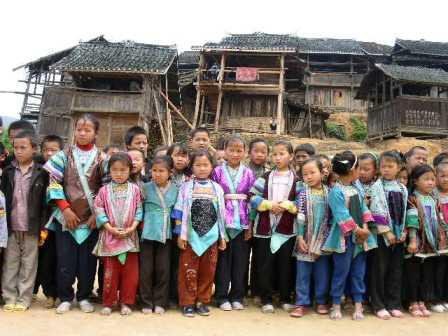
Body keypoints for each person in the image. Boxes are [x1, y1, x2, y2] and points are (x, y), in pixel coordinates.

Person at [44, 113, 105, 314]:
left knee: (88, 261)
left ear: (96, 133)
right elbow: (54, 183)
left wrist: (98, 215)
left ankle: (84, 296)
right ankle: (66, 297)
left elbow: (107, 188)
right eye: (79, 129)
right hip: (66, 217)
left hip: (92, 219)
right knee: (65, 259)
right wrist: (65, 209)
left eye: (87, 129)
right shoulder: (63, 155)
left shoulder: (103, 158)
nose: (82, 133)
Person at [322, 151, 376, 320]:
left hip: (360, 240)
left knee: (358, 272)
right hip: (343, 239)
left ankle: (358, 305)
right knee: (341, 271)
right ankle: (336, 304)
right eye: (359, 168)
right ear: (352, 171)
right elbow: (341, 215)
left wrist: (365, 229)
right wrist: (359, 230)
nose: (360, 172)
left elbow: (364, 209)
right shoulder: (335, 191)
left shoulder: (356, 189)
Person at [172, 150, 227, 317]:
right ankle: (187, 302)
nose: (202, 168)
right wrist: (180, 234)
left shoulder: (217, 188)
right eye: (198, 165)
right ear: (192, 166)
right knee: (188, 269)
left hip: (211, 238)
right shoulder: (186, 187)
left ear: (212, 167)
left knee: (208, 270)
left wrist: (222, 237)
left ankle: (202, 301)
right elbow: (179, 211)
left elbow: (221, 214)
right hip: (190, 237)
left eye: (205, 165)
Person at [1, 130, 49, 311]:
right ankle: (9, 297)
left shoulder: (41, 173)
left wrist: (43, 227)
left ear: (34, 149)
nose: (19, 151)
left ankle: (24, 299)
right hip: (11, 226)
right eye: (16, 147)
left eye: (24, 147)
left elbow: (45, 204)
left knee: (29, 265)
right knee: (10, 263)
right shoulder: (7, 172)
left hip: (32, 227)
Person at [250, 140, 298, 313]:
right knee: (266, 264)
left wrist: (286, 205)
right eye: (275, 154)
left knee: (285, 264)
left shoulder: (297, 179)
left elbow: (301, 201)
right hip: (265, 228)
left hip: (287, 230)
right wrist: (269, 205)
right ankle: (266, 299)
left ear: (291, 156)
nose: (278, 158)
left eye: (282, 154)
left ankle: (285, 298)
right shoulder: (265, 177)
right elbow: (252, 197)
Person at [93, 153, 142, 316]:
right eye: (115, 170)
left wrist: (132, 228)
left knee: (130, 274)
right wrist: (110, 228)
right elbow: (99, 210)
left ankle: (127, 302)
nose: (119, 173)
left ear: (129, 170)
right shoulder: (103, 191)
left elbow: (139, 210)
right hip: (110, 237)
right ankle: (109, 302)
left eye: (123, 170)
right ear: (109, 171)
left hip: (130, 238)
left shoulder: (135, 190)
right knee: (110, 273)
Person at [212, 136, 255, 311]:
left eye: (239, 150)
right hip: (223, 221)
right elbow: (214, 196)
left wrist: (250, 225)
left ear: (245, 153)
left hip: (243, 221)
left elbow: (252, 199)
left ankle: (237, 295)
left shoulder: (249, 173)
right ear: (225, 151)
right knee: (223, 261)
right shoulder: (217, 172)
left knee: (241, 262)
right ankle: (221, 296)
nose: (235, 154)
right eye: (231, 150)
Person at [369, 151, 408, 319]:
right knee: (379, 269)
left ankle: (394, 303)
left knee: (396, 270)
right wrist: (387, 231)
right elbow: (375, 210)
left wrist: (404, 231)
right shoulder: (377, 187)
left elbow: (406, 210)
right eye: (383, 166)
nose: (386, 170)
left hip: (399, 236)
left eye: (390, 166)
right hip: (382, 235)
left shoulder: (402, 188)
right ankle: (378, 304)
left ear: (399, 168)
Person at [290, 158, 330, 318]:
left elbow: (332, 217)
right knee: (303, 273)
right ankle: (301, 302)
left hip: (324, 239)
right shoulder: (302, 194)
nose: (309, 176)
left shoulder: (330, 192)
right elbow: (300, 216)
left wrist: (325, 240)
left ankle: (321, 301)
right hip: (305, 238)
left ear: (322, 172)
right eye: (305, 174)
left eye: (313, 172)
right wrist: (300, 237)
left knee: (322, 272)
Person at [404, 164, 447, 317]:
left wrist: (444, 238)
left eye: (432, 179)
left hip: (431, 244)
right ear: (415, 181)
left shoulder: (433, 199)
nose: (430, 182)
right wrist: (413, 240)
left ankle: (422, 300)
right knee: (413, 274)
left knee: (427, 274)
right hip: (417, 243)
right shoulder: (412, 199)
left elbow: (441, 221)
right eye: (426, 179)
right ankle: (413, 301)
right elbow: (412, 221)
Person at [140, 156, 179, 314]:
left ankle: (161, 302)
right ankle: (146, 302)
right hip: (147, 233)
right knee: (146, 270)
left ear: (170, 172)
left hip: (166, 233)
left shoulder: (176, 189)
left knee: (164, 269)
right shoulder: (144, 188)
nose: (157, 174)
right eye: (154, 170)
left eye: (161, 171)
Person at [33, 135, 64, 309]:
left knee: (62, 260)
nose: (49, 153)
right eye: (46, 150)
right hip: (44, 224)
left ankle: (61, 292)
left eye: (54, 150)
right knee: (46, 260)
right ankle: (50, 293)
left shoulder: (66, 171)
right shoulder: (38, 172)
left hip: (63, 222)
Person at [434, 161, 448, 311]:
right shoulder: (433, 194)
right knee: (439, 269)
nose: (446, 179)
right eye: (442, 176)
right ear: (436, 177)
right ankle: (436, 299)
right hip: (439, 238)